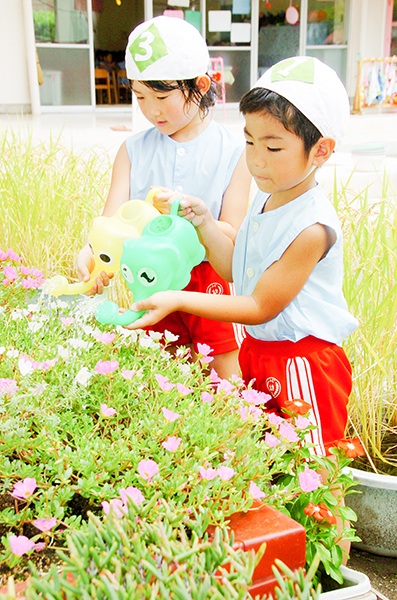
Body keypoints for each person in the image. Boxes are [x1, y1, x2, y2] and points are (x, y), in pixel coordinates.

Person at [126, 55, 358, 561]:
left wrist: (175, 299)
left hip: (304, 363)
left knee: (316, 479)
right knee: (271, 465)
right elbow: (236, 269)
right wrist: (206, 220)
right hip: (261, 354)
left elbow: (257, 304)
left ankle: (333, 573)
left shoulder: (312, 225)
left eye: (273, 146)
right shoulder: (268, 198)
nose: (256, 159)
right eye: (250, 142)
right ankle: (288, 568)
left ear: (321, 150)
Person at [77, 16, 251, 380]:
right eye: (139, 96)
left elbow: (233, 231)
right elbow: (111, 225)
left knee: (225, 376)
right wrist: (92, 255)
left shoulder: (235, 151)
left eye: (162, 96)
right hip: (149, 277)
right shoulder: (132, 150)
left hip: (209, 283)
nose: (151, 110)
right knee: (160, 375)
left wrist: (188, 219)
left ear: (201, 85)